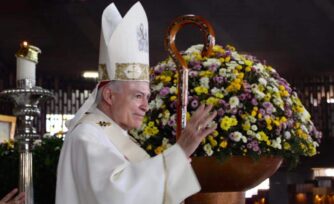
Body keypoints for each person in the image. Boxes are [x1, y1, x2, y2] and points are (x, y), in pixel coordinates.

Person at [56, 2, 217, 204]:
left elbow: (138, 186)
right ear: (109, 95)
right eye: (137, 96)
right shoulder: (86, 137)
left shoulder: (113, 134)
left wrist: (176, 162)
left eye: (146, 97)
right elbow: (119, 196)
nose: (145, 106)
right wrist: (179, 152)